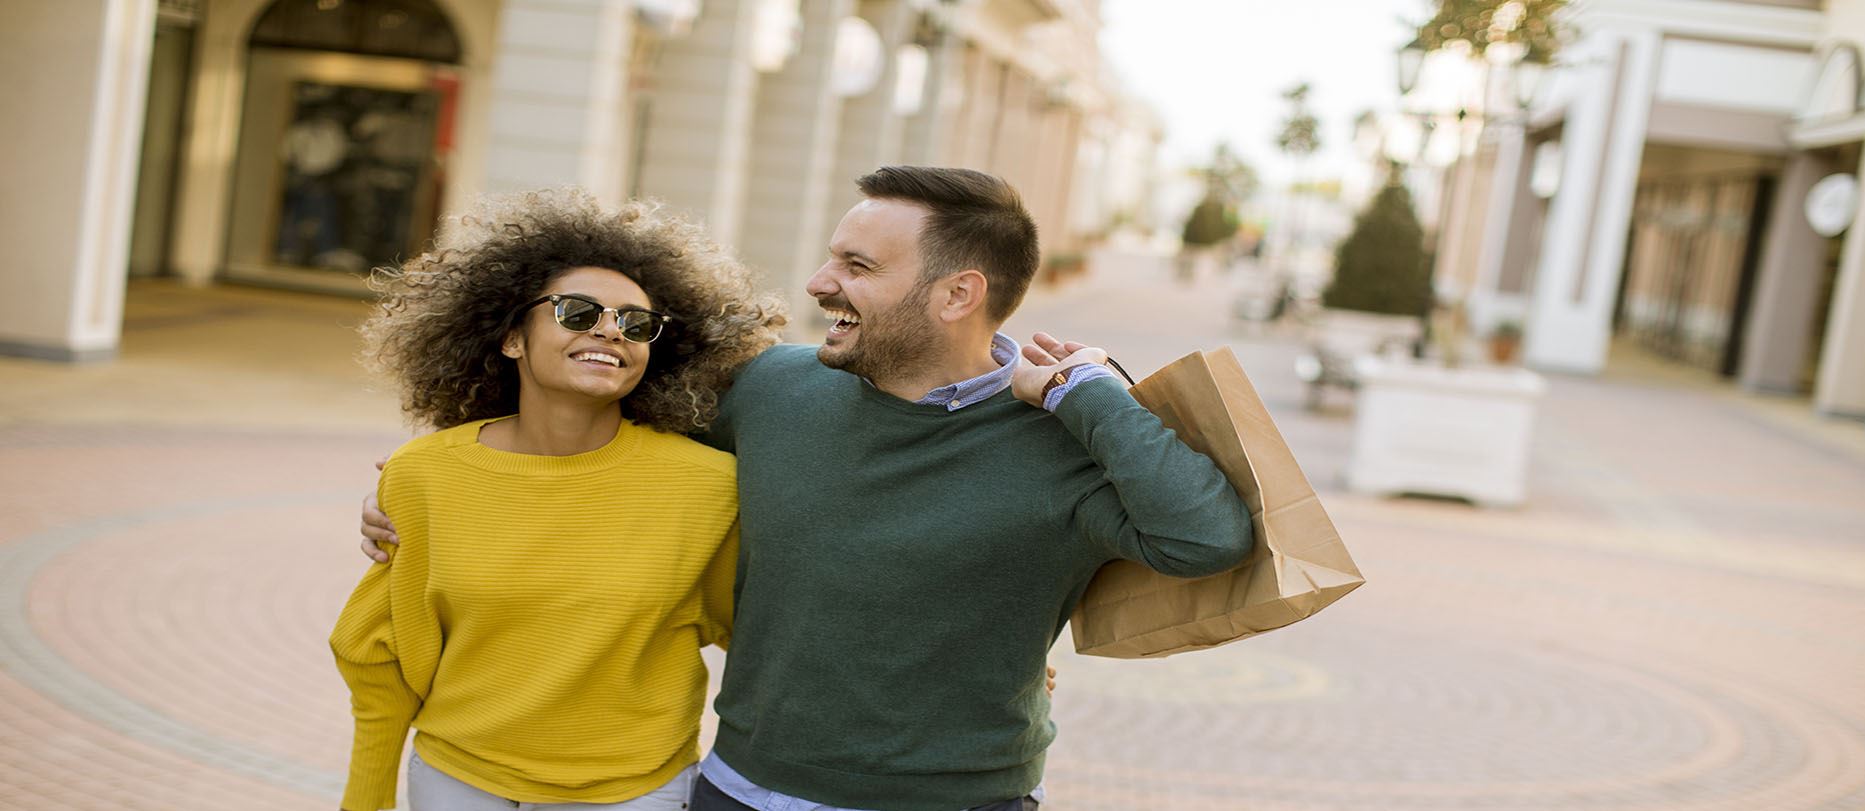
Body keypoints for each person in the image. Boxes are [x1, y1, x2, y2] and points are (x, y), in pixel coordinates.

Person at [361, 167, 1255, 810]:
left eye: (858, 267)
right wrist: (436, 489)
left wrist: (1084, 390)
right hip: (736, 790)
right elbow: (596, 445)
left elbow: (1205, 538)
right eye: (834, 258)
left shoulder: (1062, 436)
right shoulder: (773, 388)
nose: (821, 282)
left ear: (957, 294)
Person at [332, 189, 784, 811]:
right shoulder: (423, 475)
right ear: (512, 337)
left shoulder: (708, 488)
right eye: (577, 312)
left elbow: (766, 635)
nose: (609, 330)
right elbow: (378, 656)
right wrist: (366, 800)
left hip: (632, 792)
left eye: (636, 323)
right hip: (455, 782)